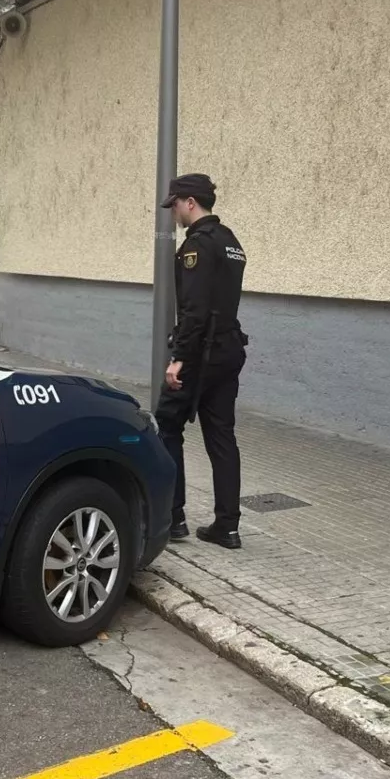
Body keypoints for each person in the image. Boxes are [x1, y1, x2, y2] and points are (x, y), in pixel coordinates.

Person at [155, 173, 249, 549]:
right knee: (222, 435)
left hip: (201, 353)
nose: (174, 212)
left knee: (167, 426)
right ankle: (227, 527)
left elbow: (194, 311)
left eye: (175, 205)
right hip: (229, 350)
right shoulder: (231, 242)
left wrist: (178, 359)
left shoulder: (197, 246)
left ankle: (172, 518)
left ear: (190, 202)